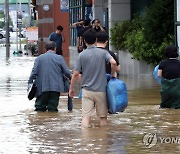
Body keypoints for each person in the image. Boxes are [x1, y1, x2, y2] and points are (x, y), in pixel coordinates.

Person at [69, 29, 117, 128]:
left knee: (86, 117)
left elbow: (76, 73)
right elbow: (114, 62)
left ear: (84, 41)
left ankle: (86, 140)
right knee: (103, 118)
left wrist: (71, 88)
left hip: (87, 91)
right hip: (101, 91)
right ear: (96, 40)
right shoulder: (103, 53)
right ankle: (103, 139)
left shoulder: (81, 55)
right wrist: (112, 74)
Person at [28, 41, 71, 112]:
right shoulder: (59, 58)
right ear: (55, 49)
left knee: (39, 109)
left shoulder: (39, 59)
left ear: (45, 49)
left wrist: (29, 84)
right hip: (56, 88)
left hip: (42, 88)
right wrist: (72, 80)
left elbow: (34, 73)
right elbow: (67, 72)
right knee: (53, 109)